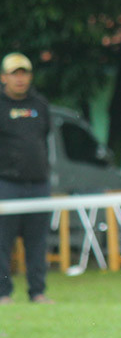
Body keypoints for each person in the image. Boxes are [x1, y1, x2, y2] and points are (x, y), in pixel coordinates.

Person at [0, 52, 53, 305]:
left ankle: (38, 292)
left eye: (24, 73)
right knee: (2, 242)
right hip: (6, 184)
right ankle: (3, 294)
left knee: (38, 242)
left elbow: (44, 136)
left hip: (39, 184)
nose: (20, 79)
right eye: (14, 73)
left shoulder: (40, 105)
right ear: (3, 77)